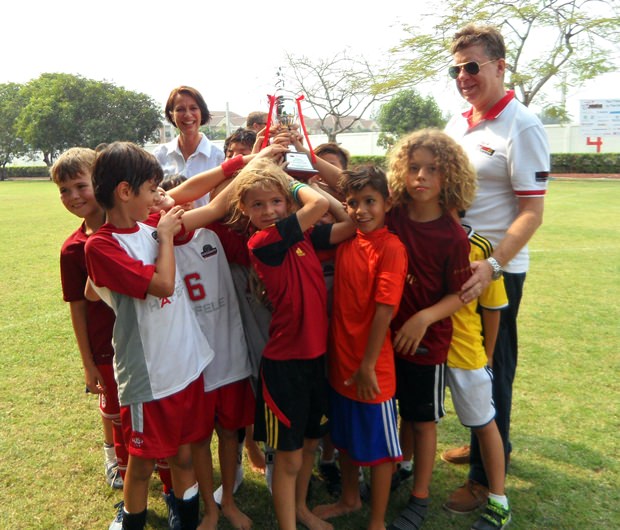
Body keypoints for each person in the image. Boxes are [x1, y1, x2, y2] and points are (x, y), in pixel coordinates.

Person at [442, 24, 549, 524]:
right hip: (458, 264)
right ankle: (486, 443)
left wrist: (492, 265)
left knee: (492, 366)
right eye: (456, 68)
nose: (463, 77)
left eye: (472, 67)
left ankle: (486, 479)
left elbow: (531, 212)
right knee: (468, 362)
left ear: (500, 66)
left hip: (497, 269)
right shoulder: (459, 123)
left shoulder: (521, 125)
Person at [84, 142, 217, 530]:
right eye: (150, 190)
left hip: (186, 366)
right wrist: (165, 238)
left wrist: (246, 161)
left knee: (185, 456)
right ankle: (132, 524)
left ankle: (187, 522)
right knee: (141, 466)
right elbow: (162, 285)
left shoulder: (147, 227)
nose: (156, 198)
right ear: (126, 192)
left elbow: (200, 200)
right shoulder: (103, 244)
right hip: (151, 377)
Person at [226, 157, 356, 530]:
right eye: (258, 204)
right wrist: (288, 180)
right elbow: (316, 205)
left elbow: (346, 225)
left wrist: (290, 186)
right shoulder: (264, 241)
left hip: (317, 360)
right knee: (289, 458)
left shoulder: (301, 239)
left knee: (311, 445)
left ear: (286, 204)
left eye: (276, 201)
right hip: (285, 367)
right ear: (244, 210)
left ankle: (301, 509)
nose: (268, 211)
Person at [385, 129, 477, 530]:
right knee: (396, 413)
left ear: (449, 176)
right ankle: (399, 468)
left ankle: (419, 498)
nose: (421, 176)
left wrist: (423, 318)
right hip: (387, 340)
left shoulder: (453, 236)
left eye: (433, 170)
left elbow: (461, 294)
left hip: (427, 343)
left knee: (422, 422)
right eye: (414, 167)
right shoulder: (393, 216)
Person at [312, 165, 407, 530]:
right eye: (353, 203)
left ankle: (378, 521)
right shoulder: (348, 241)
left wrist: (368, 364)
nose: (361, 210)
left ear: (388, 203)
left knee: (381, 452)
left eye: (370, 201)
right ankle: (350, 499)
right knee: (346, 440)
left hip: (372, 371)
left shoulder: (392, 248)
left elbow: (385, 310)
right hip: (340, 365)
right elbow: (339, 214)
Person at [51, 147, 127, 492]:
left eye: (80, 185)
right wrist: (87, 363)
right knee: (112, 407)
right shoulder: (72, 248)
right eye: (64, 190)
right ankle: (112, 455)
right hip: (105, 346)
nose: (73, 196)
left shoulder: (133, 227)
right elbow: (77, 307)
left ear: (100, 181)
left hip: (144, 339)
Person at [444, 218, 511, 530]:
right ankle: (405, 468)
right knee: (418, 419)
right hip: (422, 350)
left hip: (465, 352)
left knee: (484, 424)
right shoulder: (410, 232)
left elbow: (493, 306)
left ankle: (498, 500)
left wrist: (488, 353)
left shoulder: (480, 247)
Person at [153, 86, 225, 207]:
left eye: (193, 108)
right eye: (180, 109)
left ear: (201, 112)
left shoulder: (218, 156)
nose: (187, 115)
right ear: (171, 115)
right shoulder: (158, 156)